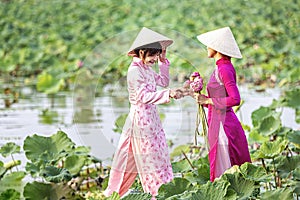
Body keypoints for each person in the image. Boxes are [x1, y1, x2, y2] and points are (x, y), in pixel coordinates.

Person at [103, 27, 184, 199]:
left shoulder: (146, 68)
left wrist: (162, 62)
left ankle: (165, 188)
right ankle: (154, 193)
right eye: (153, 55)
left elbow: (163, 81)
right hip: (140, 119)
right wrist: (168, 93)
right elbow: (142, 96)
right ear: (141, 52)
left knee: (159, 153)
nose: (154, 59)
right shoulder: (134, 71)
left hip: (152, 117)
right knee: (149, 158)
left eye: (156, 55)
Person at [195, 27, 251, 181]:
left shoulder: (224, 69)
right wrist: (201, 97)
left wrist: (208, 100)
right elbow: (218, 100)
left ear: (217, 47)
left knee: (226, 173)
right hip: (216, 123)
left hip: (224, 127)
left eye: (209, 44)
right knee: (220, 172)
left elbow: (235, 99)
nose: (207, 47)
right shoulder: (220, 67)